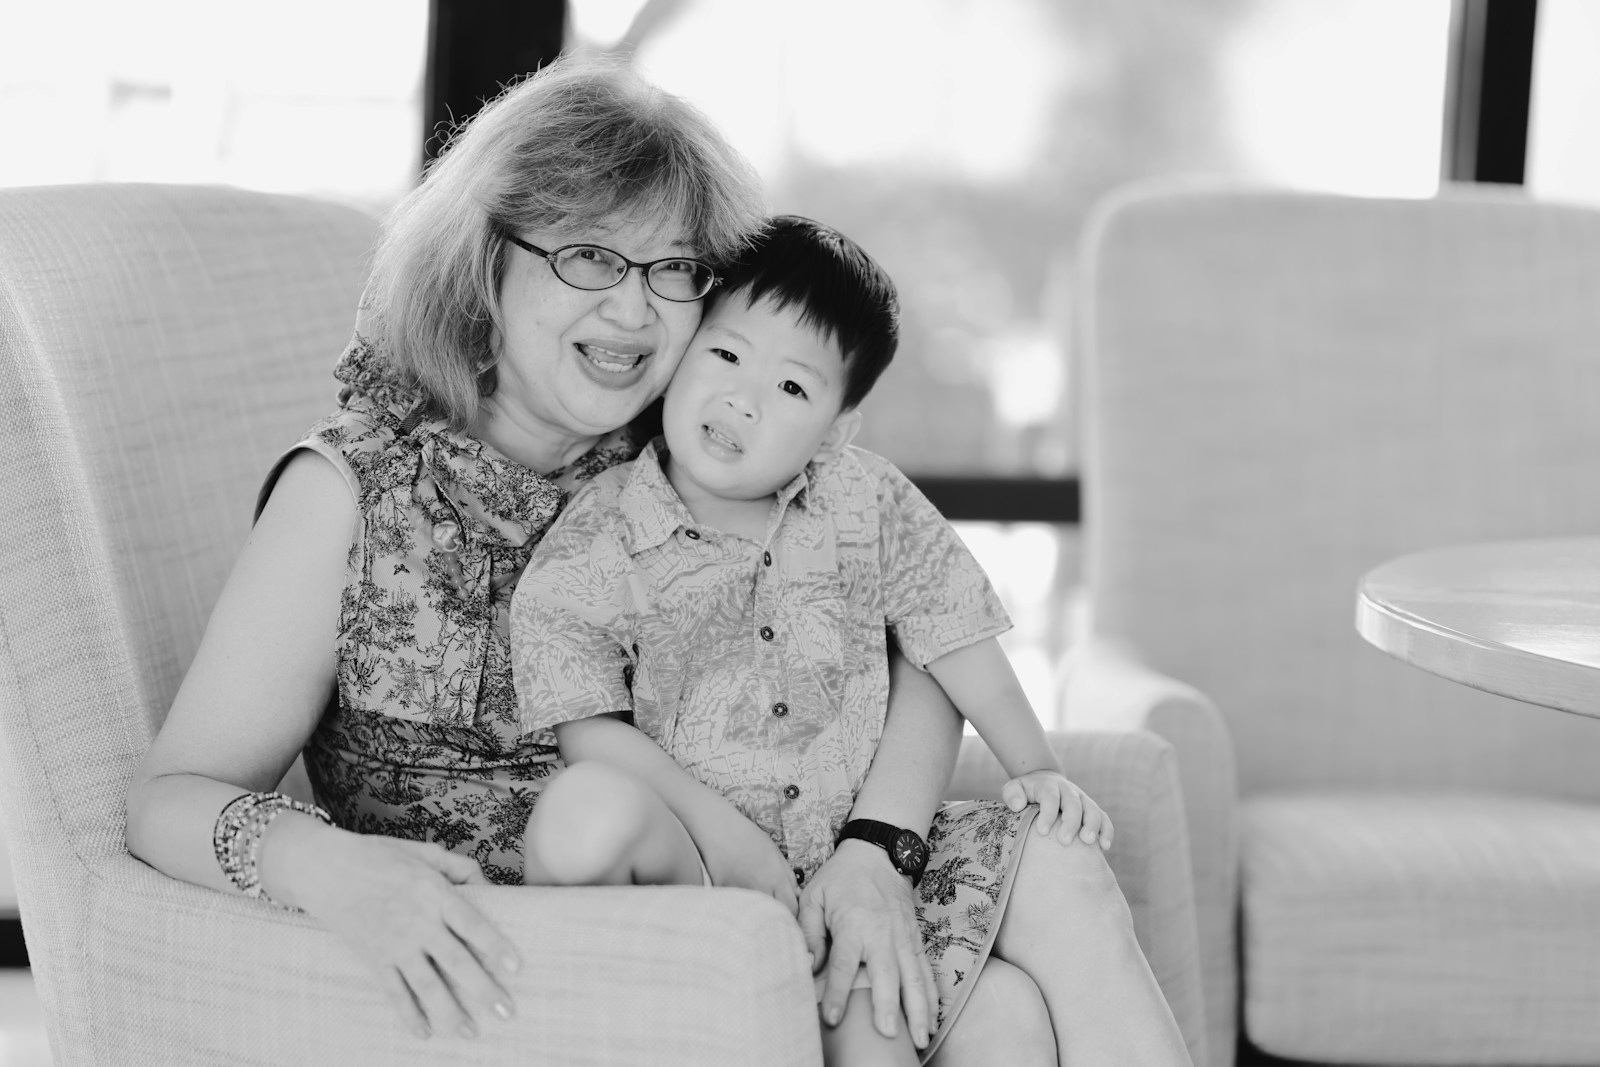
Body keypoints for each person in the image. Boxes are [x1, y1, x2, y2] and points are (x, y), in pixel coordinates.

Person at [121, 52, 1182, 1066]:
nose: (632, 311)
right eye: (588, 256)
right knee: (986, 1008)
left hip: (799, 869)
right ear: (486, 260)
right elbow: (171, 795)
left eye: (672, 270)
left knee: (1033, 938)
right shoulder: (356, 491)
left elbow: (921, 637)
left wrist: (875, 848)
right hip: (566, 951)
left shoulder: (702, 442)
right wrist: (331, 867)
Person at [511, 216, 1191, 1067]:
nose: (743, 400)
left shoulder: (865, 501)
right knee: (887, 1019)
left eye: (793, 389)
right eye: (725, 357)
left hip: (863, 860)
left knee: (1022, 904)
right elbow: (587, 726)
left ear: (836, 428)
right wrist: (726, 837)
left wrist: (1037, 766)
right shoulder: (596, 537)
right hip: (708, 870)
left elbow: (954, 636)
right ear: (682, 353)